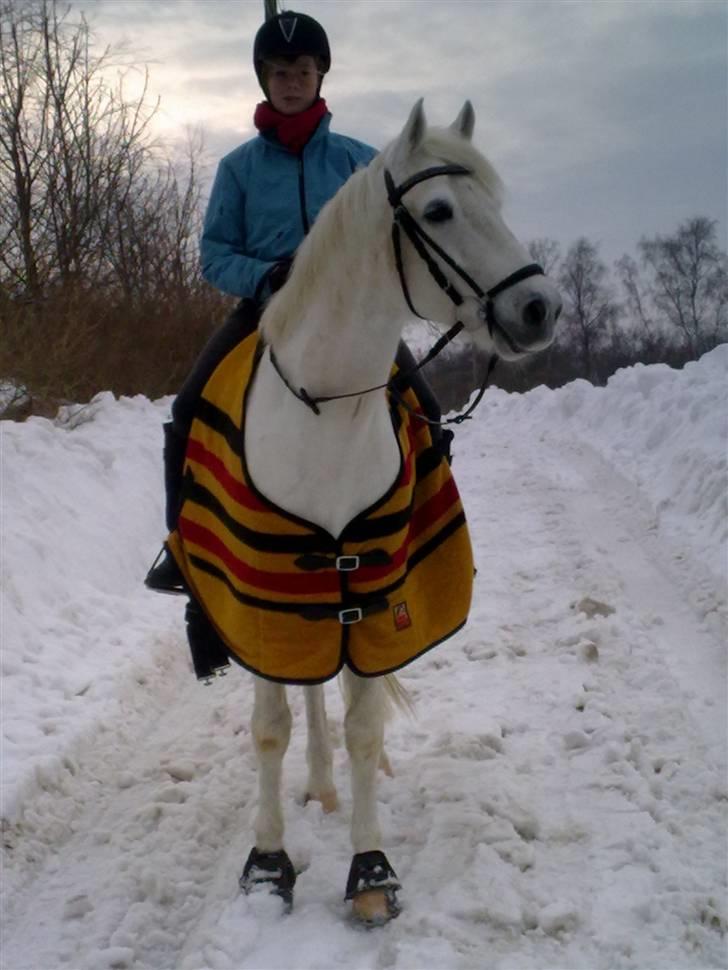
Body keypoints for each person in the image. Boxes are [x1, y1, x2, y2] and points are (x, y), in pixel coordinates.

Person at [145, 10, 445, 598]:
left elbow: (395, 239)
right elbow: (214, 255)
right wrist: (268, 275)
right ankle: (182, 549)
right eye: (279, 71)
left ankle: (429, 533)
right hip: (265, 313)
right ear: (264, 79)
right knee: (186, 413)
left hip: (353, 318)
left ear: (320, 76)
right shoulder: (238, 169)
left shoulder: (362, 161)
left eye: (302, 70)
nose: (291, 81)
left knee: (427, 408)